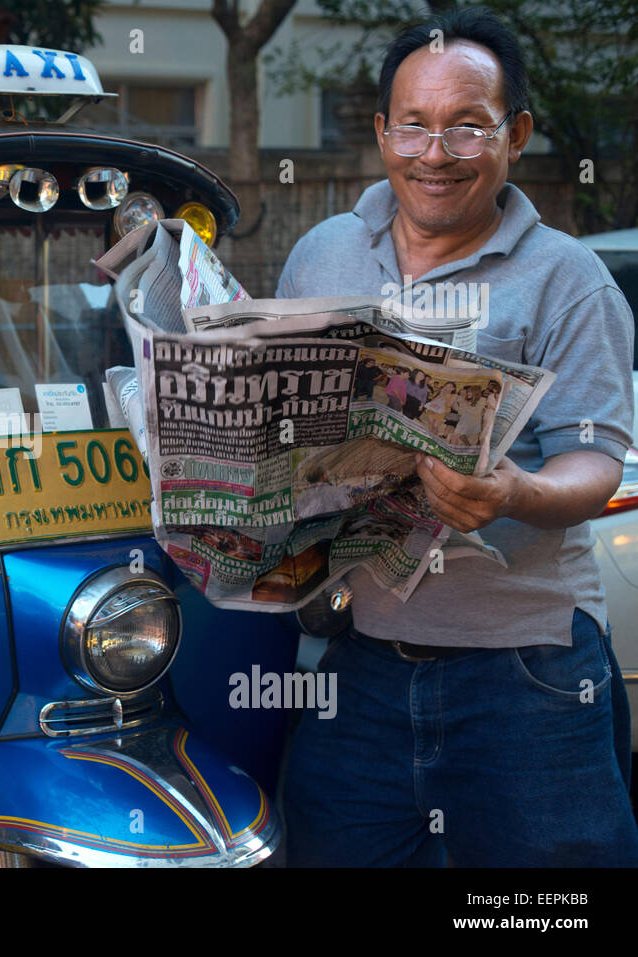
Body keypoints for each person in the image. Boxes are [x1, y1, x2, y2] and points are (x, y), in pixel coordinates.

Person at [275, 6, 638, 866]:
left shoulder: (569, 280)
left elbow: (595, 462)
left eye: (466, 127)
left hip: (529, 673)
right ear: (380, 132)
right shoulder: (323, 253)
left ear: (515, 133)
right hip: (358, 663)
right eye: (414, 125)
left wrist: (512, 491)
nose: (433, 154)